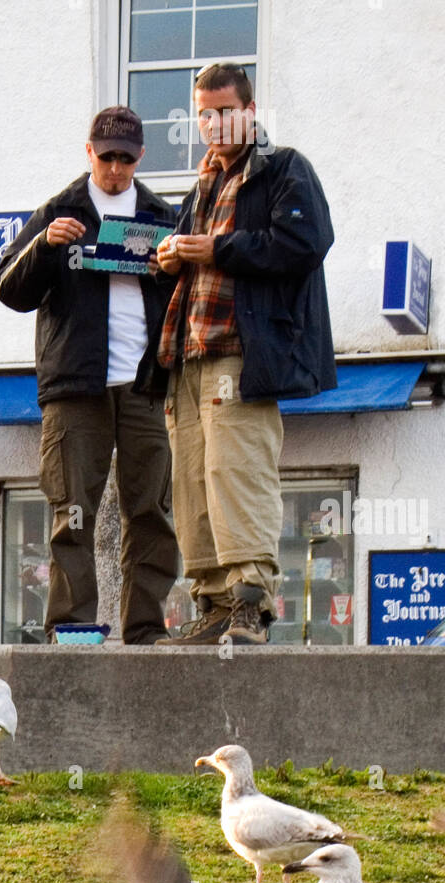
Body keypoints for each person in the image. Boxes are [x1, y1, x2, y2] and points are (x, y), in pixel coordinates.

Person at [154, 64, 335, 645]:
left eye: (224, 111)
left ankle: (250, 604)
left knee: (236, 471)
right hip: (187, 352)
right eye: (203, 113)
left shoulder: (284, 168)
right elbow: (203, 254)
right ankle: (211, 602)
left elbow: (306, 241)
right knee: (192, 483)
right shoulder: (204, 184)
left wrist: (216, 248)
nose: (211, 124)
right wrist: (171, 256)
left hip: (241, 348)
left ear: (250, 112)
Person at [0, 107, 180, 645]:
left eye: (126, 158)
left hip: (145, 384)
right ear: (89, 152)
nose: (116, 168)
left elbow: (183, 300)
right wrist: (45, 246)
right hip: (76, 388)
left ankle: (145, 628)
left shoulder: (161, 215)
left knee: (150, 510)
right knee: (73, 512)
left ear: (141, 157)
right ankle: (72, 629)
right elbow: (10, 289)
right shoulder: (59, 210)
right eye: (107, 157)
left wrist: (166, 271)